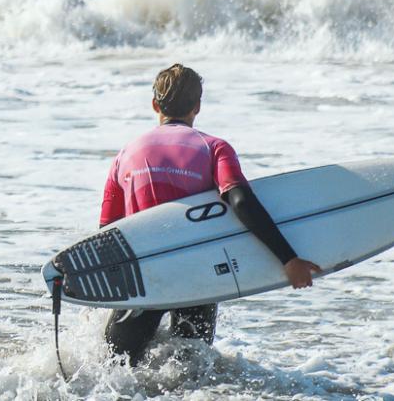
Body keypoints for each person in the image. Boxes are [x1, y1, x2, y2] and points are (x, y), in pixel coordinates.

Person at [98, 64, 321, 365]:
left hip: (142, 278)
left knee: (111, 372)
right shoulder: (214, 147)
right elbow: (240, 201)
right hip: (197, 275)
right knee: (191, 377)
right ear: (198, 107)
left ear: (154, 105)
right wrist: (288, 259)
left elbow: (106, 231)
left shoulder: (126, 154)